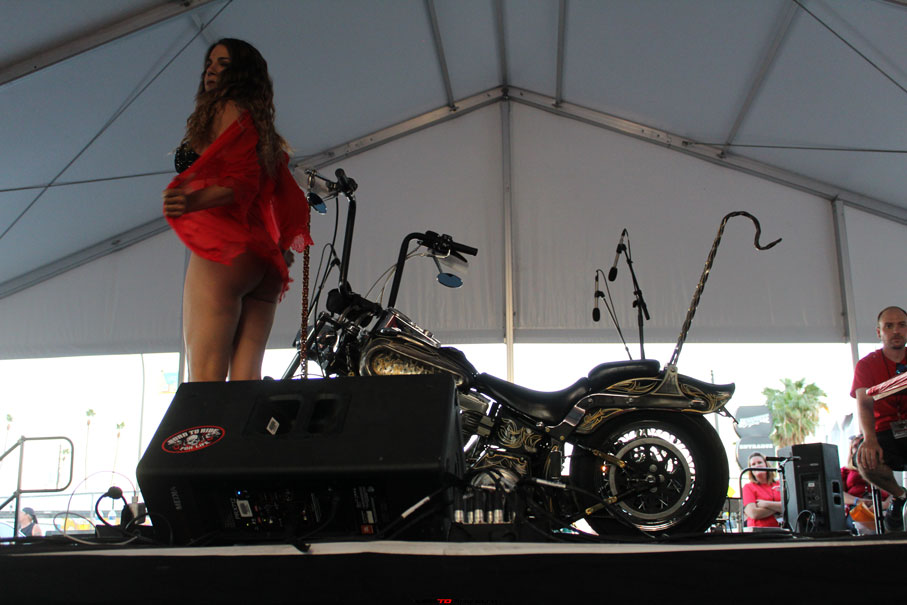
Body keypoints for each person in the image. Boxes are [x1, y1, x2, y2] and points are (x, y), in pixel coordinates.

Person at [163, 38, 312, 381]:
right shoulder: (263, 130)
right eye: (210, 63)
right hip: (262, 261)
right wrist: (280, 246)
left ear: (241, 74)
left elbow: (242, 183)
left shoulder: (225, 110)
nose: (211, 70)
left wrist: (191, 201)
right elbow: (282, 194)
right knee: (246, 381)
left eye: (223, 64)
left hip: (226, 250)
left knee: (205, 381)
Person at [852, 305, 907, 531]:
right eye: (889, 326)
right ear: (879, 332)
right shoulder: (866, 364)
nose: (896, 330)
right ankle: (901, 496)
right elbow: (864, 403)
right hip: (884, 433)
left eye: (901, 325)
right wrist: (869, 439)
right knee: (865, 459)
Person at [841, 434, 890, 534]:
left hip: (883, 505)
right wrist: (858, 501)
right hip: (857, 507)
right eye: (855, 446)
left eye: (861, 445)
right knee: (860, 519)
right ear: (851, 451)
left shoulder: (882, 469)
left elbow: (893, 490)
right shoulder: (846, 471)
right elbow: (838, 494)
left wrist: (885, 504)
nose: (858, 448)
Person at [742, 452, 783, 528]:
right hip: (759, 531)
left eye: (759, 462)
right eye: (753, 464)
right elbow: (754, 513)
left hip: (782, 529)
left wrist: (765, 504)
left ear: (766, 465)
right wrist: (779, 508)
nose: (757, 465)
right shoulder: (748, 487)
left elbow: (789, 506)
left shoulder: (780, 484)